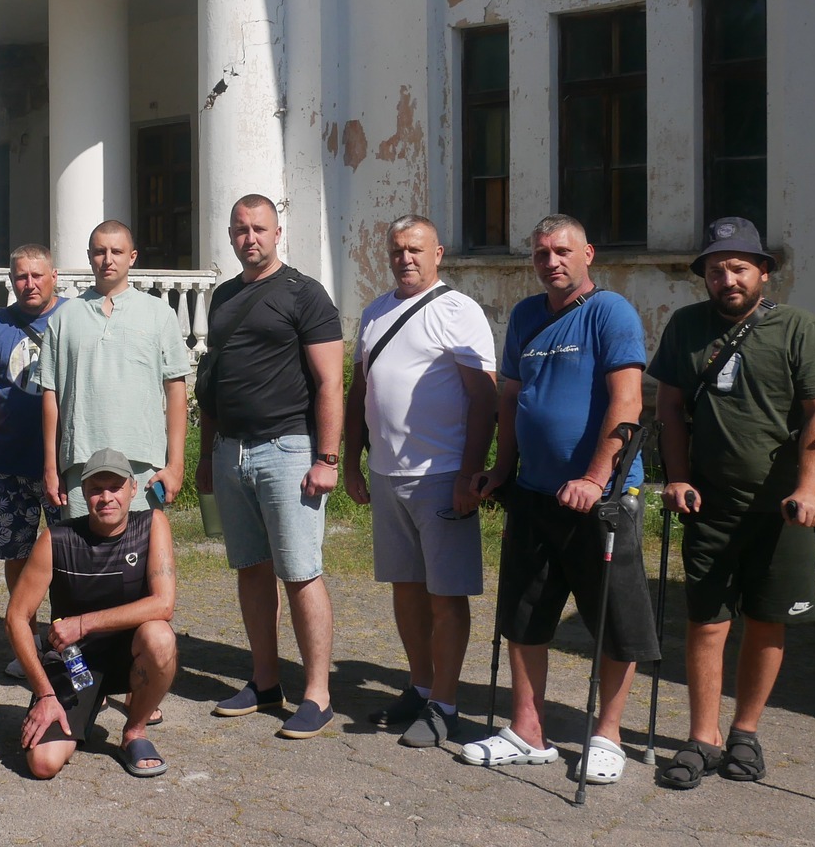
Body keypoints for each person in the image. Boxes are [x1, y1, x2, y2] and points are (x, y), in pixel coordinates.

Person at [649, 217, 815, 790]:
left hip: (783, 510)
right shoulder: (686, 326)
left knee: (767, 620)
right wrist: (676, 477)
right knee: (706, 621)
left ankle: (745, 732)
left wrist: (808, 490)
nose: (727, 279)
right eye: (716, 270)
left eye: (738, 268)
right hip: (708, 504)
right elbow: (669, 408)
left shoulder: (799, 328)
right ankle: (701, 738)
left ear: (763, 271)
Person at [463, 215, 657, 786]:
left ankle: (607, 736)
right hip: (534, 494)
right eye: (542, 253)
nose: (551, 261)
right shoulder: (526, 315)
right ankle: (528, 733)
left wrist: (596, 478)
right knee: (523, 617)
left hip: (601, 501)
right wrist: (501, 470)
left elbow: (628, 400)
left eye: (563, 251)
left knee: (614, 621)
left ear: (588, 253)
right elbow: (510, 399)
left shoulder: (611, 313)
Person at [341, 214, 498, 748]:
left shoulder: (459, 311)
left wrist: (470, 474)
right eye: (396, 250)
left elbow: (484, 397)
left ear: (438, 253)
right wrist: (351, 461)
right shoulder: (375, 312)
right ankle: (421, 686)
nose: (404, 258)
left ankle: (446, 705)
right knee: (406, 589)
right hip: (387, 474)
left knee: (445, 593)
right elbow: (360, 391)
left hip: (441, 474)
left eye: (414, 249)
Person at [194, 195, 346, 739]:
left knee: (300, 572)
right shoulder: (223, 296)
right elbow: (213, 384)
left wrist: (327, 458)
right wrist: (206, 455)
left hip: (289, 451)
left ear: (277, 232)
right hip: (230, 451)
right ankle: (264, 681)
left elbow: (330, 382)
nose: (250, 238)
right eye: (241, 230)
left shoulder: (305, 294)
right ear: (230, 235)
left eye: (259, 228)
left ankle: (318, 694)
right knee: (251, 568)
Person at [7, 449, 178, 780]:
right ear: (83, 493)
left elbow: (163, 604)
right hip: (75, 663)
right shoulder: (57, 539)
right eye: (97, 489)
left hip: (131, 657)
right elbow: (16, 617)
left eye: (115, 487)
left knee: (160, 636)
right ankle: (84, 708)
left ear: (133, 488)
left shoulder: (152, 524)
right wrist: (44, 693)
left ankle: (135, 732)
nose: (106, 497)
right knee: (43, 764)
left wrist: (84, 623)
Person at [40, 220, 190, 517]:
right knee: (81, 546)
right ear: (89, 256)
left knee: (142, 545)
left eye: (117, 252)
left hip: (142, 463)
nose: (108, 260)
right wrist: (51, 466)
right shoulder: (63, 318)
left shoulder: (159, 313)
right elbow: (50, 395)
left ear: (132, 257)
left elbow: (176, 390)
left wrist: (175, 465)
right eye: (100, 252)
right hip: (81, 461)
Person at [0, 244, 65, 678]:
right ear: (11, 280)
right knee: (17, 553)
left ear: (54, 276)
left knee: (69, 556)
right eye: (21, 276)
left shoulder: (73, 317)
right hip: (8, 464)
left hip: (63, 466)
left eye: (37, 275)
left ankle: (66, 643)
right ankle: (30, 640)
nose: (30, 284)